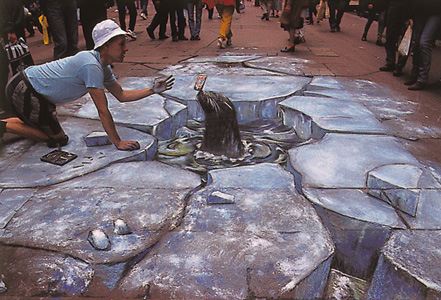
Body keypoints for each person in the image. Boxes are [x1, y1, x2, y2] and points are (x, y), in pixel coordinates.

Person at [0, 20, 175, 151]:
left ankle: (16, 121)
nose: (125, 49)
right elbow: (102, 109)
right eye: (121, 44)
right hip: (25, 89)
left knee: (42, 123)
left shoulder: (102, 66)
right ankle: (3, 126)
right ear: (105, 46)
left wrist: (152, 90)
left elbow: (121, 95)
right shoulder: (90, 65)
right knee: (57, 139)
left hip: (29, 88)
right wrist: (118, 142)